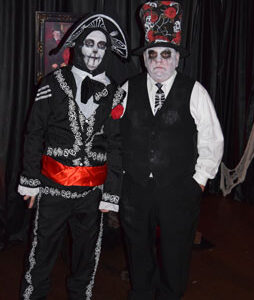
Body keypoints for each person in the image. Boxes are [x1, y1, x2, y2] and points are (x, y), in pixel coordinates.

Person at [17, 13, 128, 300]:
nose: (94, 50)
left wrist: (111, 194)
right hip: (53, 187)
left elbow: (116, 145)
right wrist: (30, 181)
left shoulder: (115, 92)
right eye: (89, 43)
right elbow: (33, 134)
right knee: (42, 250)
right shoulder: (52, 82)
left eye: (101, 45)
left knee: (87, 254)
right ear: (77, 46)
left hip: (93, 193)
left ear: (107, 51)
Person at [119, 2, 224, 300]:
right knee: (137, 247)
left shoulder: (194, 90)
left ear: (177, 58)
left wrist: (199, 180)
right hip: (136, 188)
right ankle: (140, 293)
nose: (159, 61)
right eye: (152, 54)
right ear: (144, 60)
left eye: (166, 54)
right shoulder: (128, 89)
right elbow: (113, 134)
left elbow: (212, 138)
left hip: (179, 189)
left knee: (175, 250)